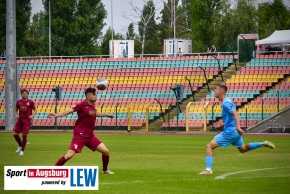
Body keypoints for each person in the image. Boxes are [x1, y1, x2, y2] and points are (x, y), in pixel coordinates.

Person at [198, 83, 275, 175]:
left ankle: (208, 170)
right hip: (234, 132)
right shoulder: (226, 102)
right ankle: (262, 143)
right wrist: (222, 126)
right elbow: (231, 118)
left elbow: (236, 114)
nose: (215, 91)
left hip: (230, 132)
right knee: (242, 149)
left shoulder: (226, 102)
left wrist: (238, 127)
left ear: (221, 91)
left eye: (216, 89)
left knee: (209, 146)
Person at [48, 87, 115, 174]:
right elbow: (69, 111)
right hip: (80, 135)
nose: (96, 96)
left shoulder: (92, 106)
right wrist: (56, 115)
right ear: (88, 96)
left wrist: (107, 115)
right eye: (94, 95)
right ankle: (53, 171)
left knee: (105, 151)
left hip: (90, 136)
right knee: (69, 155)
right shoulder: (81, 105)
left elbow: (95, 113)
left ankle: (105, 170)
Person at [13, 89, 37, 156]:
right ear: (21, 94)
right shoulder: (18, 102)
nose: (24, 94)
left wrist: (32, 115)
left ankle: (22, 151)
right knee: (15, 134)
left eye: (25, 93)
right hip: (20, 120)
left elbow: (35, 110)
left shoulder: (30, 102)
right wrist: (16, 115)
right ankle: (20, 146)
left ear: (27, 94)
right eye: (23, 93)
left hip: (27, 120)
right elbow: (15, 109)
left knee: (24, 135)